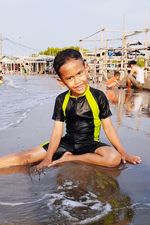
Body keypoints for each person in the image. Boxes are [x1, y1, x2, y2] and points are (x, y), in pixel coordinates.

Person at [0, 49, 141, 170]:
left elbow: (108, 128)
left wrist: (124, 153)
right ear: (61, 81)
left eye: (79, 73)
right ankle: (65, 155)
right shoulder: (61, 100)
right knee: (27, 156)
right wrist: (48, 158)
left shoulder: (98, 96)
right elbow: (57, 132)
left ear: (86, 68)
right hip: (66, 143)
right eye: (70, 78)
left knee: (113, 159)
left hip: (91, 144)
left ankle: (69, 158)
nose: (77, 81)